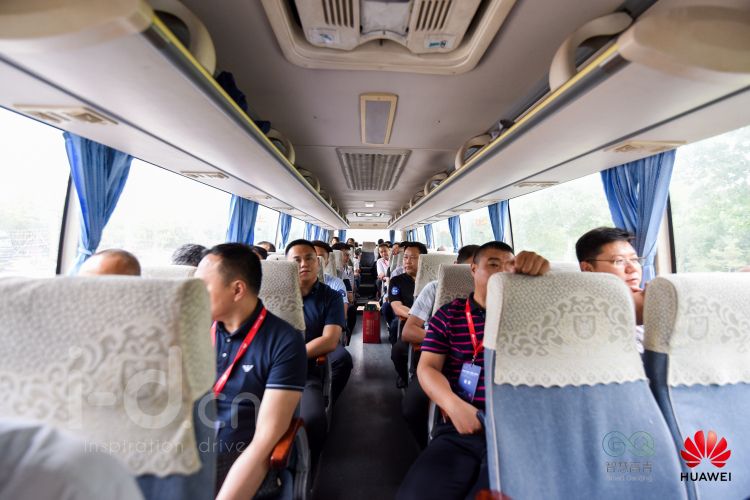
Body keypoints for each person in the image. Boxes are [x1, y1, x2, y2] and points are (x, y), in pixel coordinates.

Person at [397, 242, 549, 500]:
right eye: (493, 264)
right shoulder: (449, 315)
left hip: (519, 434)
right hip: (464, 425)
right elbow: (428, 366)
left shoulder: (534, 316)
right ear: (473, 269)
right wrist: (452, 404)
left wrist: (544, 274)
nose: (502, 272)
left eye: (509, 266)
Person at [194, 243, 307, 499]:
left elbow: (265, 440)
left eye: (202, 287)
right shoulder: (191, 330)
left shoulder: (284, 341)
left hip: (238, 455)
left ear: (237, 290)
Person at [400, 244, 479, 448]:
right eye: (471, 269)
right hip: (437, 359)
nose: (476, 275)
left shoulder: (499, 298)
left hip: (478, 366)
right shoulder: (435, 289)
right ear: (456, 267)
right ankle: (427, 447)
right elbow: (409, 331)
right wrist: (442, 341)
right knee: (413, 407)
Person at [285, 239, 353, 466]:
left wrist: (288, 358)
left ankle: (307, 470)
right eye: (296, 260)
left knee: (313, 420)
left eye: (309, 259)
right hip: (265, 369)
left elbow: (330, 339)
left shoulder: (331, 296)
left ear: (319, 263)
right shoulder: (268, 295)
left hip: (306, 368)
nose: (303, 264)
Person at [576, 227, 646, 353]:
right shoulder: (584, 316)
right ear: (588, 269)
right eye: (619, 261)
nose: (632, 268)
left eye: (635, 260)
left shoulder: (648, 299)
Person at [389, 242, 428, 387]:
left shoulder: (434, 281)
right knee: (397, 351)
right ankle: (406, 378)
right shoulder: (397, 280)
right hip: (410, 323)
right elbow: (396, 306)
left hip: (433, 325)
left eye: (413, 258)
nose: (407, 261)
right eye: (405, 257)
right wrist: (418, 318)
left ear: (424, 260)